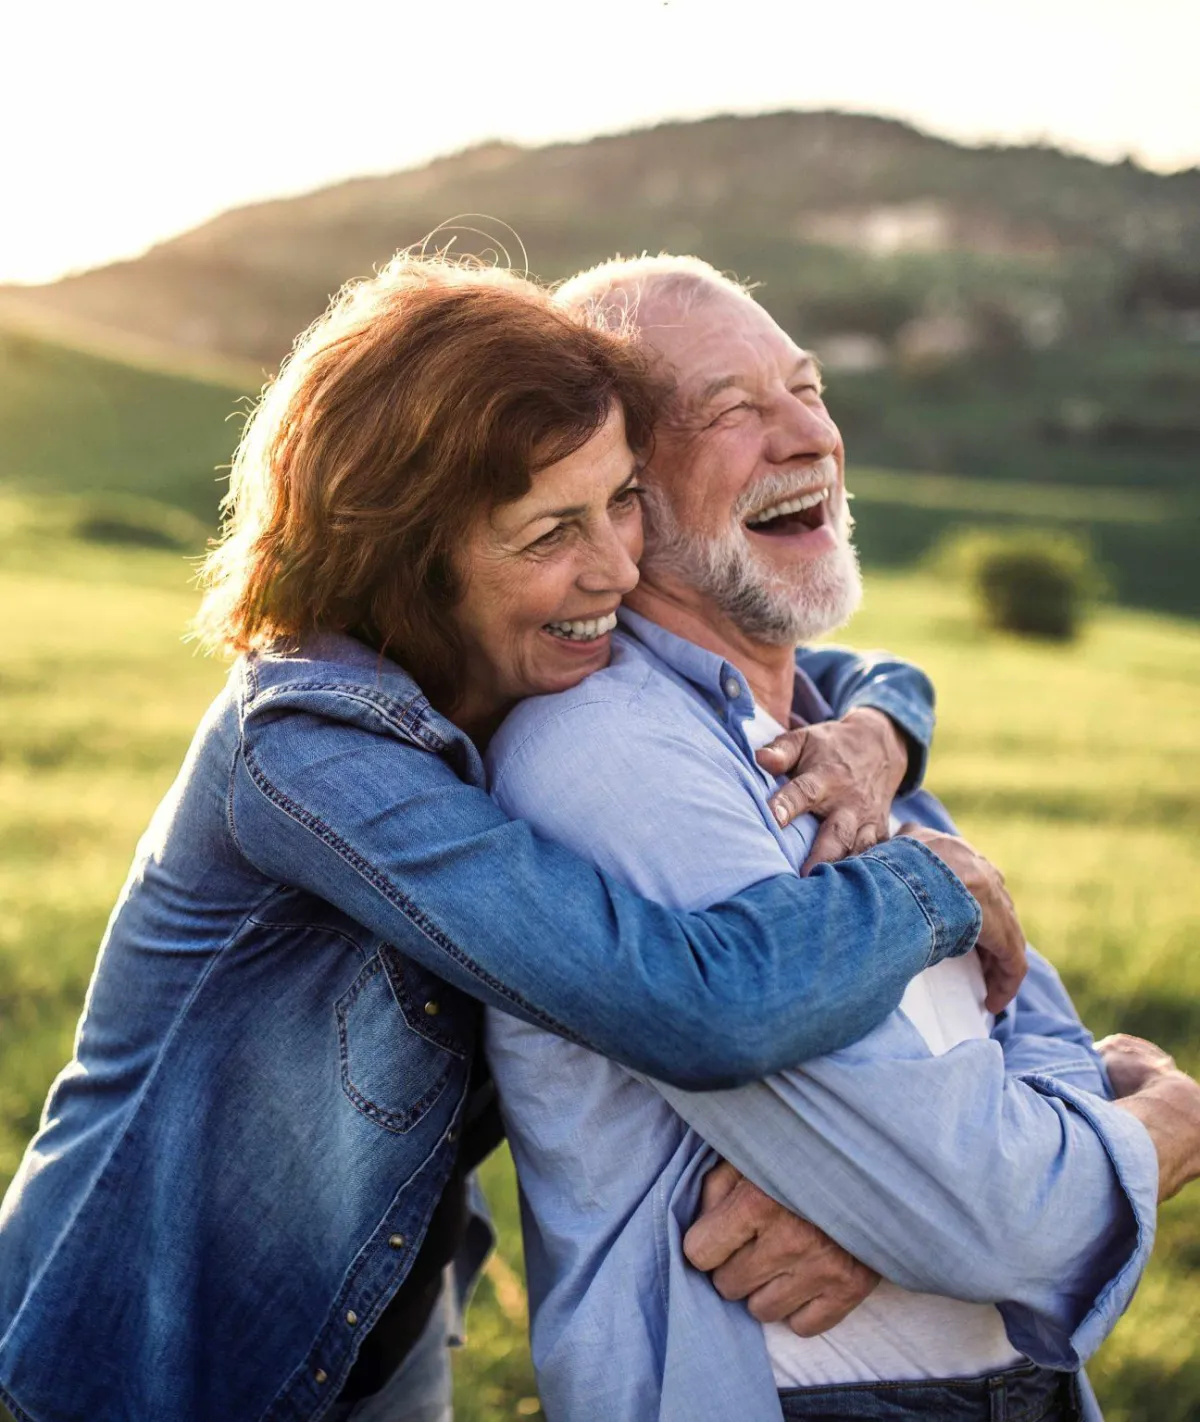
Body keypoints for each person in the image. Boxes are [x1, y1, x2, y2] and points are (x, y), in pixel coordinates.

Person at [0, 255, 1019, 1422]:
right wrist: (931, 881)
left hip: (379, 1317)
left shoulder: (520, 658)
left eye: (624, 498)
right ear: (408, 553)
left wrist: (883, 728)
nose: (619, 567)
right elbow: (689, 1005)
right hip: (164, 1351)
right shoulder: (308, 754)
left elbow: (825, 669)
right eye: (550, 534)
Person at [484, 255, 1200, 1421]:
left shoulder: (842, 741)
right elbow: (989, 1217)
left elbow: (1038, 1034)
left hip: (1020, 1387)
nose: (805, 435)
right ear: (623, 496)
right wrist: (1164, 1122)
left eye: (806, 389)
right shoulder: (608, 756)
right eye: (732, 411)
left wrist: (898, 1211)